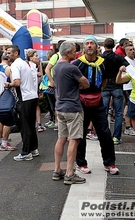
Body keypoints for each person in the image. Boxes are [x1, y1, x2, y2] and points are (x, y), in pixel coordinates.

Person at [72, 35, 119, 175]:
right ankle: (81, 163)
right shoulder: (77, 64)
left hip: (98, 101)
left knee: (104, 132)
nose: (90, 45)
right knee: (81, 134)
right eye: (87, 43)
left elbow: (104, 81)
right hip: (81, 102)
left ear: (97, 46)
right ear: (84, 47)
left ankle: (109, 163)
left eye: (92, 43)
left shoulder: (103, 63)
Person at [52, 42, 90, 185]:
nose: (76, 53)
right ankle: (69, 173)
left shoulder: (56, 68)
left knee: (61, 138)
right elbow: (86, 83)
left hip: (60, 107)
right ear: (67, 53)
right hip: (73, 108)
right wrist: (79, 85)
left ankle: (57, 170)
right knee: (74, 139)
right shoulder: (72, 68)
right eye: (74, 51)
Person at [5, 45, 39, 161]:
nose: (7, 55)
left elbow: (17, 82)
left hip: (24, 98)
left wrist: (8, 84)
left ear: (16, 53)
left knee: (25, 126)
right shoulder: (24, 63)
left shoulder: (15, 65)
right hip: (32, 96)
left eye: (9, 53)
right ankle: (33, 149)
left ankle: (26, 152)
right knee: (30, 125)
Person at [101, 38, 129, 145]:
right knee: (118, 113)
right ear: (114, 46)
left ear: (104, 45)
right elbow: (127, 66)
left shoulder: (100, 58)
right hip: (117, 86)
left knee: (103, 113)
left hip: (104, 87)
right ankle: (116, 137)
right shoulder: (119, 57)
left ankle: (104, 136)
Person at [0, 51, 17, 151]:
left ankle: (0, 140)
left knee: (0, 119)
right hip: (8, 96)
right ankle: (4, 142)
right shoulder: (8, 69)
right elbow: (13, 83)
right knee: (8, 119)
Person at [26, 49, 45, 133]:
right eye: (36, 56)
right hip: (29, 92)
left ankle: (39, 124)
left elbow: (41, 79)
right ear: (31, 58)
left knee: (37, 106)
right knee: (32, 108)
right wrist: (35, 74)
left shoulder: (36, 66)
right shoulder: (28, 66)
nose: (38, 57)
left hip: (35, 90)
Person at [123, 45, 135, 136]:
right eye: (130, 50)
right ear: (126, 52)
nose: (133, 51)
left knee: (131, 105)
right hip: (127, 86)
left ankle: (132, 124)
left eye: (133, 49)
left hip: (134, 86)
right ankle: (128, 126)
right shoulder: (125, 61)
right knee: (128, 105)